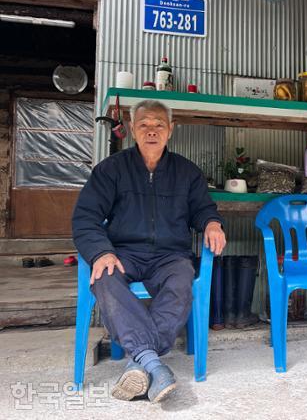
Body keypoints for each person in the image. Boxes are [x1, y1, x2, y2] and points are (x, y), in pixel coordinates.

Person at [72, 100, 226, 403]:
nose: (151, 131)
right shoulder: (111, 170)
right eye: (144, 125)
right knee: (104, 275)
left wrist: (212, 223)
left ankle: (138, 362)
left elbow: (203, 209)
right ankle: (154, 364)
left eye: (158, 124)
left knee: (182, 280)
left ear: (170, 130)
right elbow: (85, 218)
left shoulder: (187, 172)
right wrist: (102, 251)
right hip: (123, 252)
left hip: (170, 256)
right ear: (132, 130)